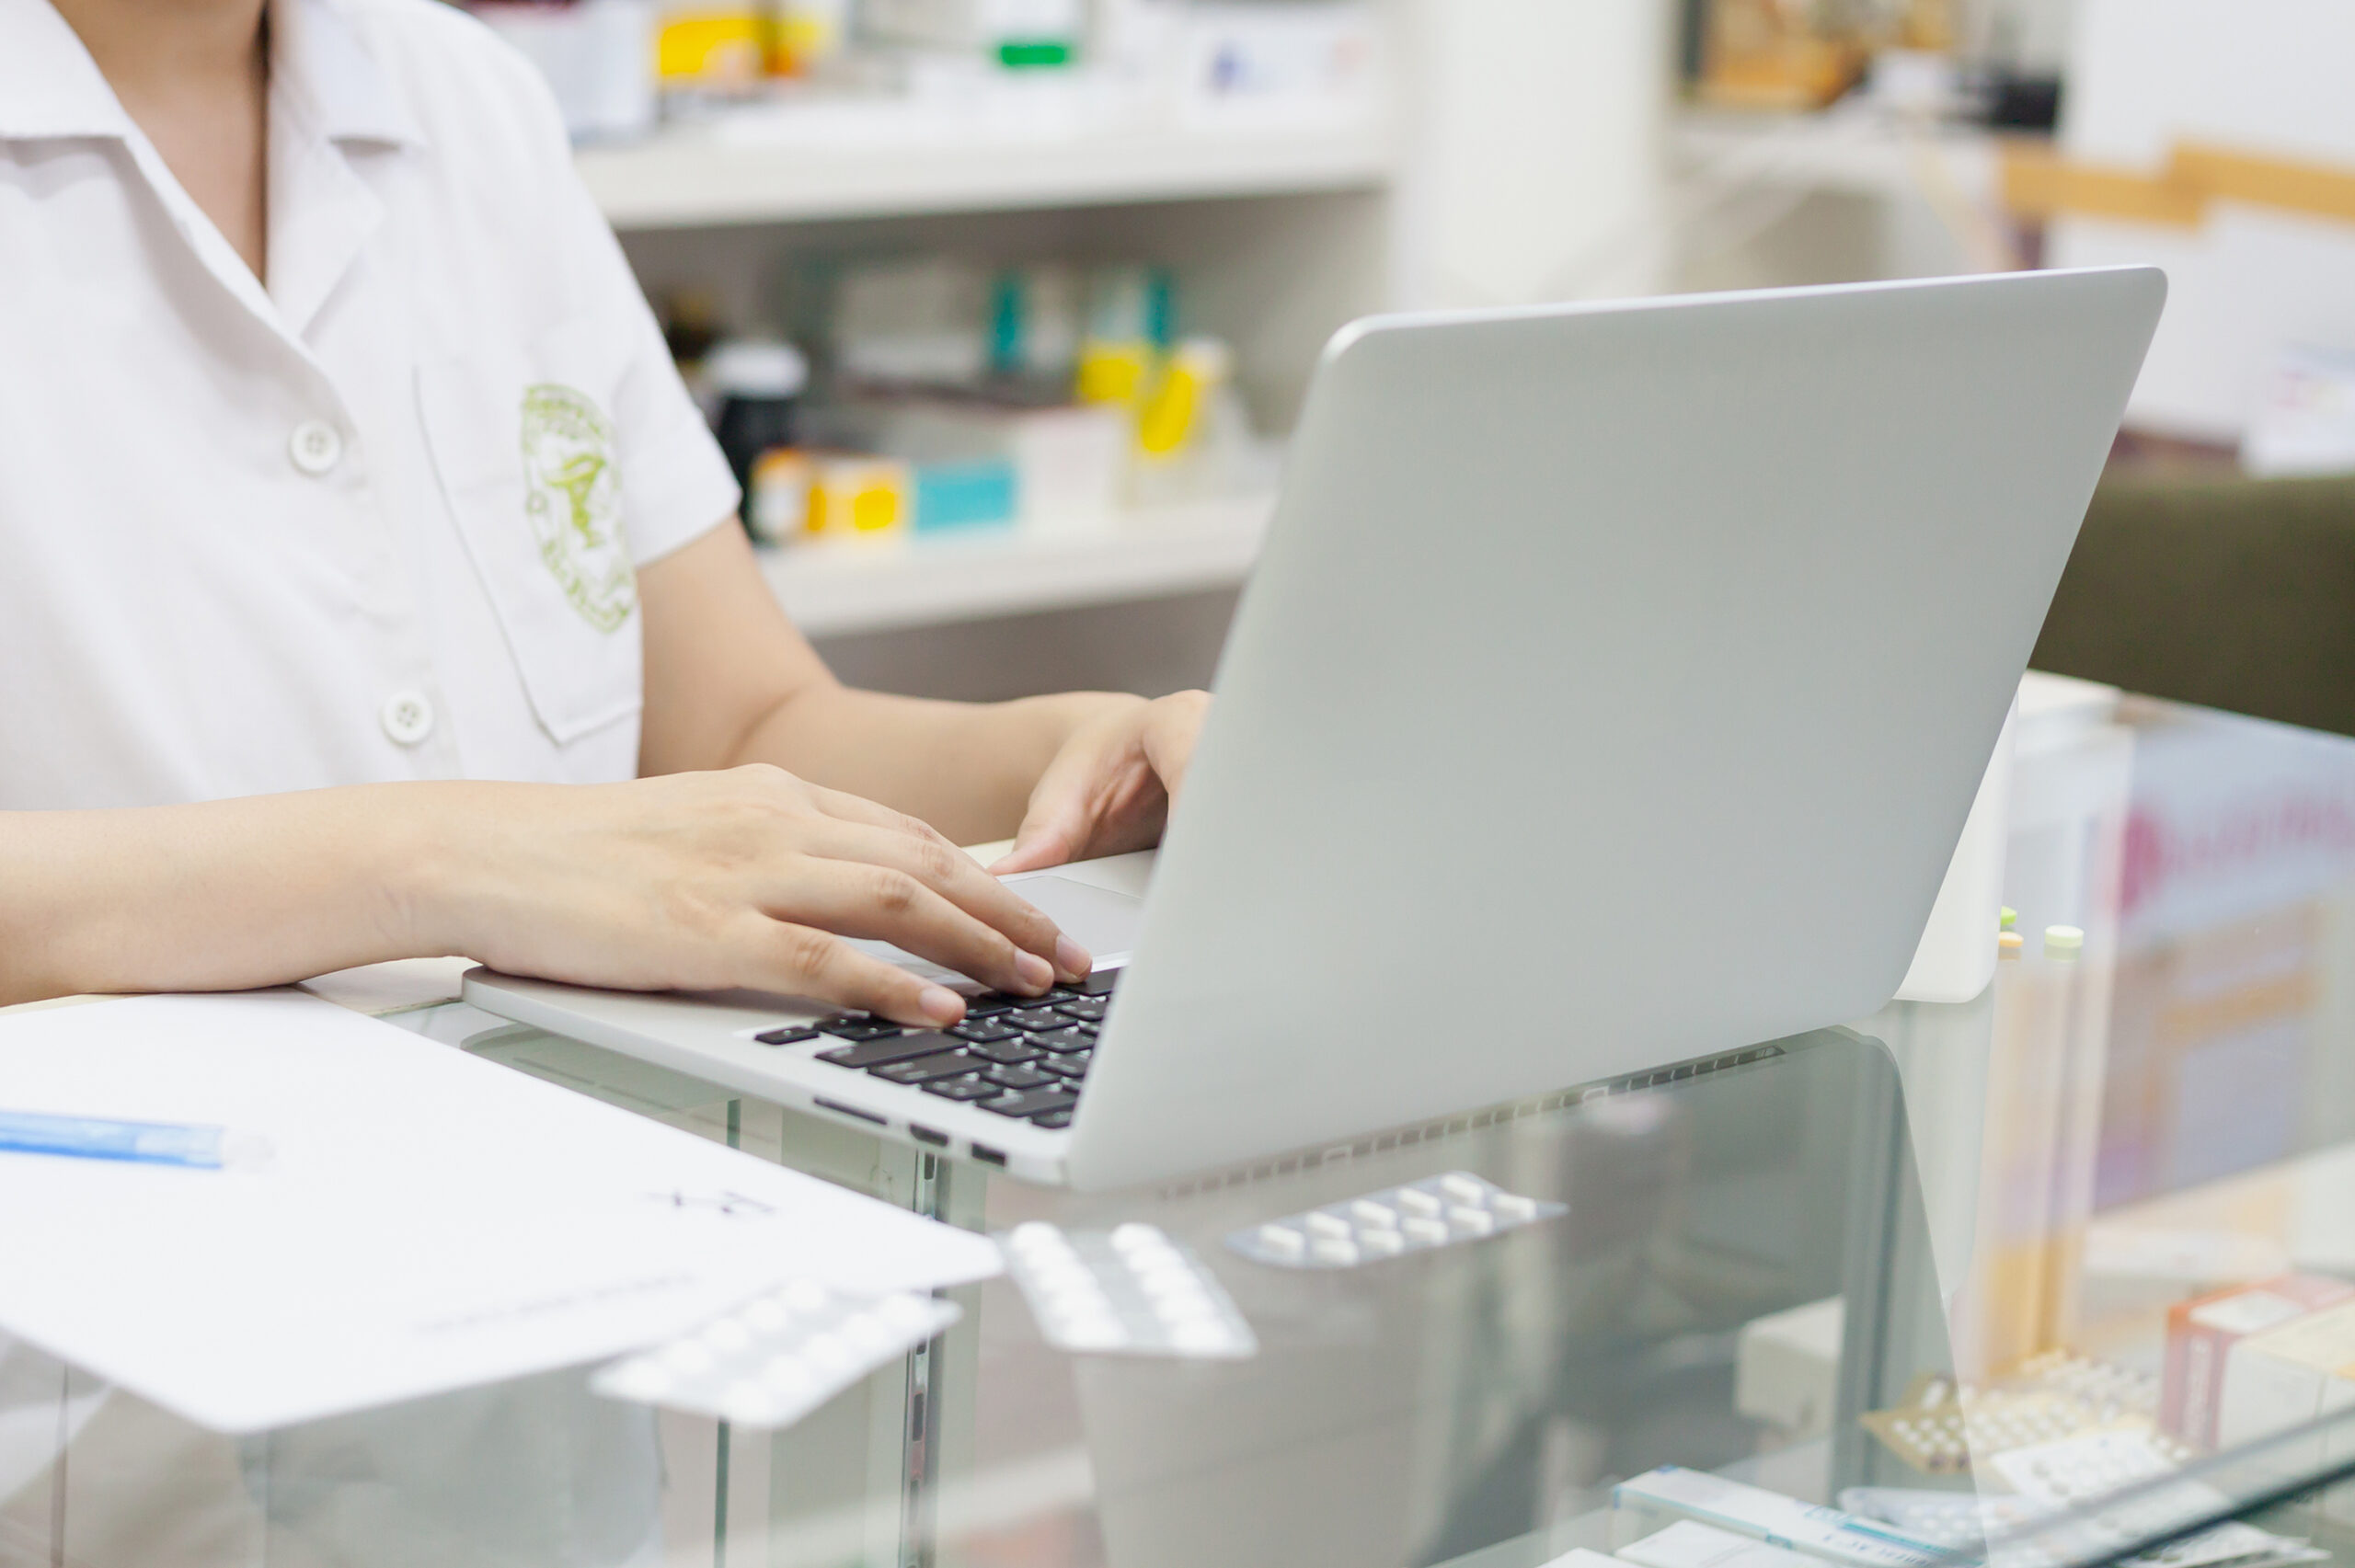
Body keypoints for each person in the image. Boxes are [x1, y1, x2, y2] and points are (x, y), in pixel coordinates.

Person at [0, 0, 1210, 1019]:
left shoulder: (470, 101)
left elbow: (741, 726)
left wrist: (1067, 759)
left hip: (585, 1160)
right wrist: (444, 862)